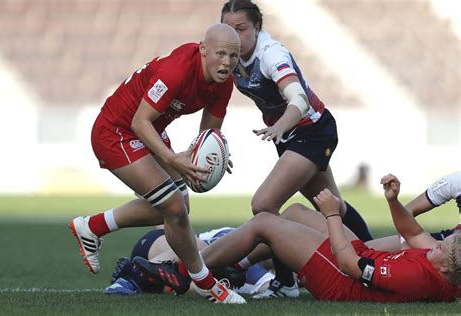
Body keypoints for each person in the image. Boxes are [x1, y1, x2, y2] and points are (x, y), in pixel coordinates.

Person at [68, 23, 246, 304]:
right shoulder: (176, 71)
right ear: (203, 50)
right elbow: (140, 121)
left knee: (179, 209)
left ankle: (93, 226)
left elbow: (207, 134)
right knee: (173, 207)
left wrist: (214, 154)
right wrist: (173, 158)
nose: (227, 62)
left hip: (148, 130)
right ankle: (206, 283)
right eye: (221, 54)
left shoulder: (224, 84)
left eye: (233, 56)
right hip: (116, 132)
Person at [218, 0, 373, 297]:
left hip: (311, 130)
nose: (235, 36)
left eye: (241, 29)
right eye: (228, 29)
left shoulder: (270, 54)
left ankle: (286, 282)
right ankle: (376, 259)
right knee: (330, 203)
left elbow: (299, 100)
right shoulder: (230, 54)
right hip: (290, 135)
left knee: (263, 205)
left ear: (257, 28)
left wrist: (279, 127)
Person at [134, 174, 461, 302]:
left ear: (446, 267)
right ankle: (240, 265)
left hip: (339, 278)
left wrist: (333, 215)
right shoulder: (442, 260)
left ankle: (181, 274)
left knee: (265, 222)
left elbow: (348, 264)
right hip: (358, 258)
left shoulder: (417, 275)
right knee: (293, 213)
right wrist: (392, 200)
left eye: (442, 247)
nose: (438, 243)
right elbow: (414, 232)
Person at [103, 227, 274, 296]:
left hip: (163, 252)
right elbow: (266, 283)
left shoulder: (255, 254)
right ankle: (132, 277)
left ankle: (156, 283)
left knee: (211, 285)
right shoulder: (249, 253)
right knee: (200, 251)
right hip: (161, 245)